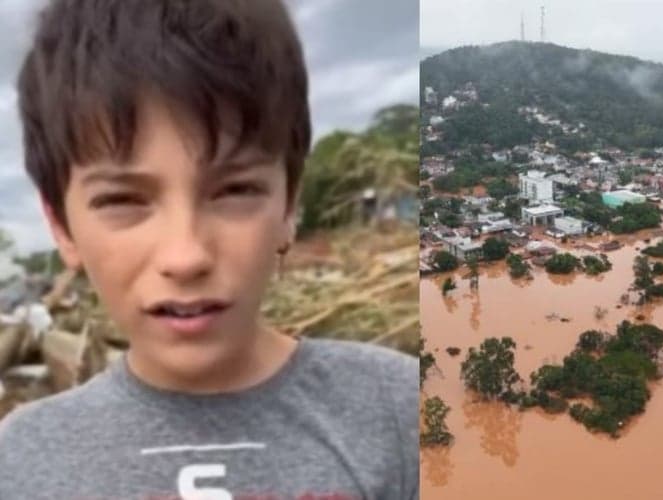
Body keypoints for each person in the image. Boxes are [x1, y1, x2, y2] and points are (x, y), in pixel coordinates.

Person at [0, 1, 419, 498]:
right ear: (62, 226)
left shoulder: (403, 414)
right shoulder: (23, 460)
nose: (186, 256)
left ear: (288, 205)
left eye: (235, 190)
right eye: (121, 200)